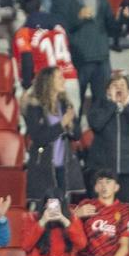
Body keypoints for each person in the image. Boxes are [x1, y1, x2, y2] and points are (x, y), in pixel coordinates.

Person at [52, 0, 121, 107]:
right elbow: (58, 28)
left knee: (104, 105)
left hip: (101, 59)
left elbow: (111, 27)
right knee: (74, 104)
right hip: (79, 59)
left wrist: (122, 19)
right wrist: (78, 17)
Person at [86, 75, 129, 204]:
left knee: (126, 206)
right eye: (115, 85)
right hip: (103, 167)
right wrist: (112, 105)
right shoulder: (100, 104)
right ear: (108, 90)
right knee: (100, 206)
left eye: (122, 85)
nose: (119, 88)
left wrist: (127, 107)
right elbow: (96, 124)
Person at [24, 67, 83, 201]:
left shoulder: (65, 104)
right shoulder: (34, 107)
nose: (63, 80)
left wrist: (71, 125)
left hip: (65, 166)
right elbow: (38, 138)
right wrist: (62, 124)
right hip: (44, 168)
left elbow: (77, 135)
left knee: (64, 210)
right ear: (48, 82)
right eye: (59, 77)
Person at [18, 197, 87, 256]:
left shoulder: (72, 220)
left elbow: (81, 244)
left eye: (57, 206)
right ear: (44, 206)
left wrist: (64, 220)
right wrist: (43, 221)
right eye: (50, 205)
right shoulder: (32, 218)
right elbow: (25, 246)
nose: (53, 209)